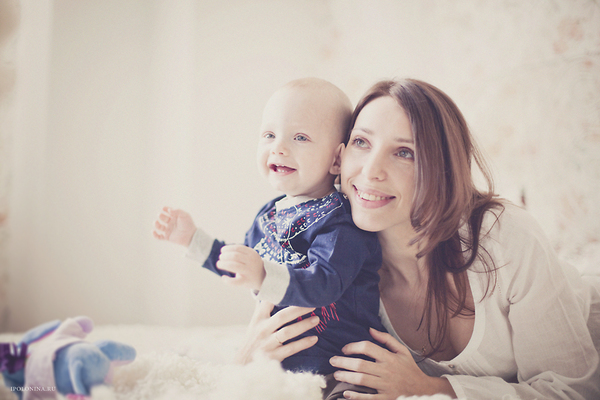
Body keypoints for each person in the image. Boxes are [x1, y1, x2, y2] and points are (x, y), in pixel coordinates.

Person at [236, 78, 600, 400]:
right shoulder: (337, 263)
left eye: (404, 152)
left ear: (440, 169)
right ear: (339, 157)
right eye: (361, 142)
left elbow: (573, 391)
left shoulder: (503, 237)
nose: (370, 171)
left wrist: (430, 389)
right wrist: (246, 361)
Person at [152, 77, 385, 398]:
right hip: (280, 359)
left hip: (342, 362)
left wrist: (263, 275)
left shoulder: (341, 221)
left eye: (300, 137)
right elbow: (240, 263)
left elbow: (324, 284)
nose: (279, 147)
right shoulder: (269, 215)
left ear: (336, 160)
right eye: (269, 135)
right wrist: (193, 240)